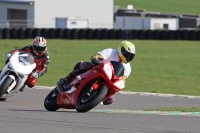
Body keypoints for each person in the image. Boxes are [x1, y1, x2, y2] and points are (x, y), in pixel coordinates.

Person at [60, 40, 136, 105]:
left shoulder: (127, 68)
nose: (128, 57)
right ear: (121, 49)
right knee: (81, 65)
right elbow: (100, 55)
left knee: (111, 99)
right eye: (126, 54)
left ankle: (95, 99)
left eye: (130, 56)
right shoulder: (111, 52)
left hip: (109, 81)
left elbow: (123, 79)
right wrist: (96, 58)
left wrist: (121, 83)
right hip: (98, 69)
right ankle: (66, 80)